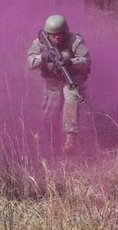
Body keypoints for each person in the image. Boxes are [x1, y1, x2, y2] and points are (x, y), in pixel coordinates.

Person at [27, 14, 91, 156]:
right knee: (49, 117)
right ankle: (54, 145)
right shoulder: (40, 43)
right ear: (47, 34)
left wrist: (71, 62)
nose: (57, 38)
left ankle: (70, 140)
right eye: (53, 35)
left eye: (60, 34)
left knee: (71, 100)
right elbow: (30, 62)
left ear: (65, 32)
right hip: (53, 82)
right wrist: (43, 57)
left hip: (71, 79)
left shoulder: (74, 41)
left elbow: (86, 60)